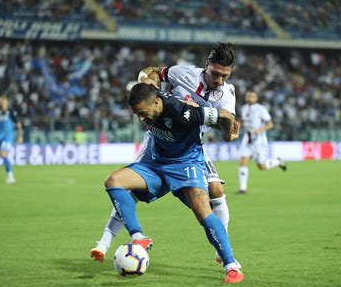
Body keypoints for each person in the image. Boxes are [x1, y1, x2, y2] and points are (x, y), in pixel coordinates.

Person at [91, 43, 240, 265]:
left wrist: (220, 122)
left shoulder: (227, 95)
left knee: (216, 190)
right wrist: (147, 81)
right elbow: (151, 71)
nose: (219, 80)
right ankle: (104, 242)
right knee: (126, 189)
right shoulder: (184, 73)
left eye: (224, 76)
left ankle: (223, 248)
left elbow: (227, 131)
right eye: (215, 73)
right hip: (158, 138)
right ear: (206, 66)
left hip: (190, 146)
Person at [103, 83, 244, 283]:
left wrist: (230, 134)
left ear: (157, 102)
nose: (141, 118)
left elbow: (225, 115)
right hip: (157, 165)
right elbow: (150, 73)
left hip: (186, 165)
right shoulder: (151, 99)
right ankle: (138, 236)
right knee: (113, 180)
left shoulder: (184, 113)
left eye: (143, 113)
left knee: (203, 212)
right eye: (137, 114)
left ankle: (231, 266)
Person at [237, 91, 286, 194]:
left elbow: (270, 124)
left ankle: (277, 160)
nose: (250, 97)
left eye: (252, 96)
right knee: (243, 160)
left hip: (259, 140)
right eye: (248, 96)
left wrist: (260, 129)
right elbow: (243, 121)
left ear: (256, 98)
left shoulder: (261, 109)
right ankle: (243, 189)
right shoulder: (244, 108)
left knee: (261, 166)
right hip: (248, 138)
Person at [0, 95, 23, 184]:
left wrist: (20, 136)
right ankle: (9, 173)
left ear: (7, 102)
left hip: (8, 137)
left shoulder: (11, 112)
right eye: (0, 102)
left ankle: (11, 176)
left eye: (3, 102)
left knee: (2, 153)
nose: (1, 104)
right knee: (2, 154)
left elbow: (18, 125)